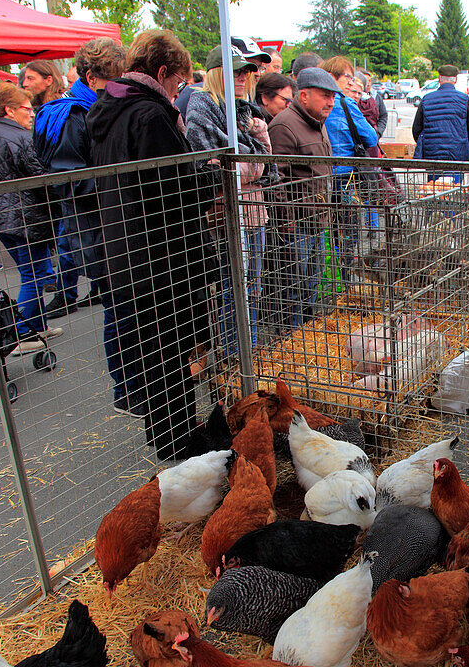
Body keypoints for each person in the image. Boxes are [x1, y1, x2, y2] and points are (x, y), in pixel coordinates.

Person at [86, 29, 219, 461]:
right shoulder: (149, 115)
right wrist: (209, 175)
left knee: (155, 348)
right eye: (178, 81)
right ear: (162, 72)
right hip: (160, 256)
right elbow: (172, 189)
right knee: (169, 349)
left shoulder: (109, 110)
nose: (179, 90)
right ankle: (177, 438)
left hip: (125, 250)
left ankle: (168, 432)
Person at [0, 82, 62, 356]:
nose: (31, 114)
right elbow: (40, 177)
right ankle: (20, 332)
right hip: (25, 217)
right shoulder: (21, 137)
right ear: (10, 110)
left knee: (30, 271)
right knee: (35, 273)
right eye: (26, 109)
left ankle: (36, 327)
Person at [185, 45, 272, 356]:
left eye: (246, 71)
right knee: (232, 287)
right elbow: (216, 170)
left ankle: (249, 348)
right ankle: (236, 354)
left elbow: (264, 163)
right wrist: (251, 165)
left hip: (253, 211)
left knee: (253, 287)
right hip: (225, 213)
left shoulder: (244, 110)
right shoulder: (202, 109)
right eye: (236, 71)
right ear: (217, 73)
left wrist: (249, 162)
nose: (243, 77)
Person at [33, 37, 126, 320]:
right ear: (91, 77)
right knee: (117, 315)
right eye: (114, 79)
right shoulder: (71, 116)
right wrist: (119, 183)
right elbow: (69, 180)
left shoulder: (93, 109)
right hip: (96, 231)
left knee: (122, 311)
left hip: (108, 225)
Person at [267, 67, 339, 327]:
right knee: (293, 290)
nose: (330, 102)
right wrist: (288, 223)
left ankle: (306, 337)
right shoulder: (285, 126)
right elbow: (276, 180)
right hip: (296, 226)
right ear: (304, 95)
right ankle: (290, 341)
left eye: (333, 97)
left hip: (317, 223)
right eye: (325, 96)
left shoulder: (318, 125)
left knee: (310, 287)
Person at [320, 56, 379, 276]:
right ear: (333, 76)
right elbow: (371, 137)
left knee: (328, 232)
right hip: (344, 177)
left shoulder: (314, 104)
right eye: (348, 77)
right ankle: (342, 280)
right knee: (346, 232)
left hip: (320, 177)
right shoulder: (344, 103)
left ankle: (333, 277)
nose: (351, 82)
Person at [412, 64, 469, 164]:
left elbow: (416, 129)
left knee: (434, 180)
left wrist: (427, 144)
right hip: (458, 154)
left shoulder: (426, 99)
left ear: (439, 79)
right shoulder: (464, 99)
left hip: (432, 154)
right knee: (456, 179)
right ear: (455, 80)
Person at [356, 73, 388, 139]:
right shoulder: (353, 98)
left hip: (373, 140)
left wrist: (378, 132)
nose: (368, 84)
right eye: (366, 81)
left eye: (369, 81)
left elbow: (383, 116)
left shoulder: (376, 97)